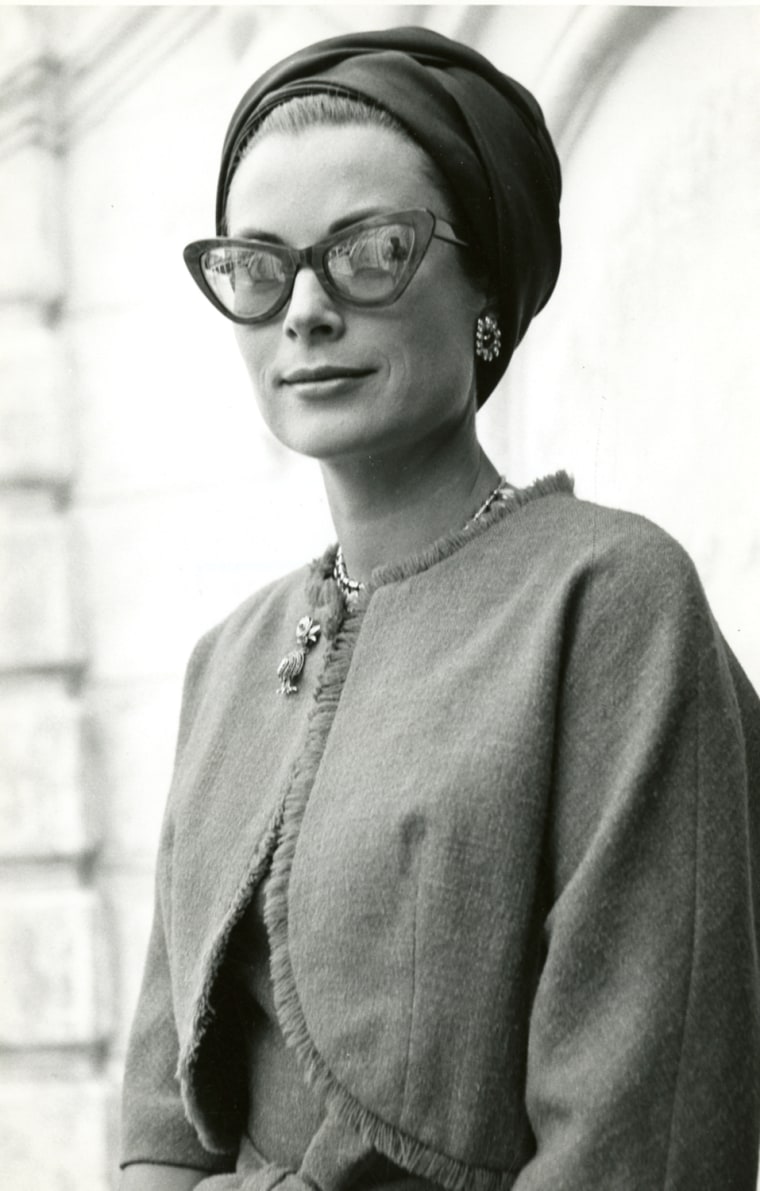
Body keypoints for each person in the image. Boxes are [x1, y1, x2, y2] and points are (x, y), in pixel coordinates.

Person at [120, 27, 760, 1191]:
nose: (304, 311)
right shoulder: (228, 662)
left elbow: (640, 1142)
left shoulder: (609, 603)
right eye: (257, 267)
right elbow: (161, 1125)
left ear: (484, 293)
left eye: (371, 250)